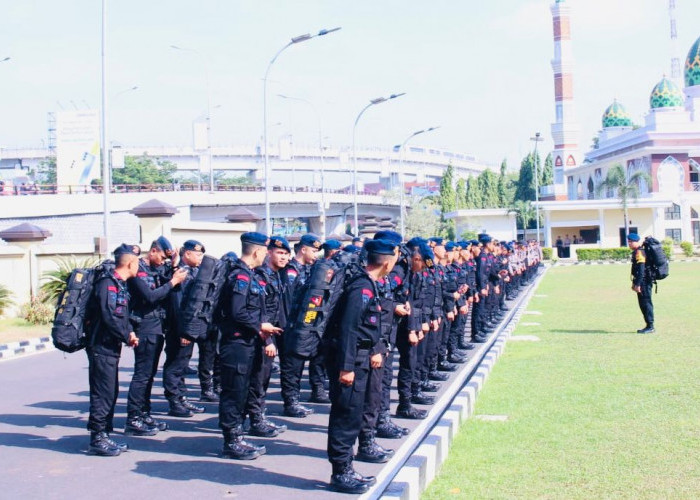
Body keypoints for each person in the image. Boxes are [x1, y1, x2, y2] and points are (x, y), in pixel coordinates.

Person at [325, 238, 398, 494]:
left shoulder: (370, 285)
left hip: (361, 358)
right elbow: (348, 329)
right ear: (387, 262)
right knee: (346, 415)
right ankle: (341, 472)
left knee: (353, 413)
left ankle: (346, 468)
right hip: (351, 361)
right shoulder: (362, 288)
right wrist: (346, 367)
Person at [218, 232, 283, 460]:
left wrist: (264, 335)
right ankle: (231, 440)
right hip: (236, 343)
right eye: (265, 251)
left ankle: (238, 434)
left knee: (244, 391)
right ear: (257, 251)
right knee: (234, 392)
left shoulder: (252, 276)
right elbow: (237, 311)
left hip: (249, 342)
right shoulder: (241, 277)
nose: (266, 255)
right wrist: (260, 326)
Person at [125, 237, 187, 435]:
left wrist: (174, 264)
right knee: (142, 375)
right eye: (161, 256)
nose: (162, 261)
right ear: (152, 251)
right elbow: (150, 296)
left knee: (149, 375)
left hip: (157, 326)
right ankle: (133, 418)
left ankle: (144, 414)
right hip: (144, 326)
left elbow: (168, 279)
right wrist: (173, 282)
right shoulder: (138, 270)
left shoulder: (155, 269)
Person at [86, 244, 141, 456]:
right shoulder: (107, 284)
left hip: (110, 345)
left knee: (111, 391)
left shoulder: (119, 284)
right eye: (137, 262)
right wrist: (126, 335)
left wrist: (129, 331)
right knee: (103, 393)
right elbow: (109, 316)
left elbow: (121, 315)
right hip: (101, 345)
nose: (139, 267)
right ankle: (97, 438)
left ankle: (105, 435)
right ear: (129, 263)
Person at [162, 239, 206, 417]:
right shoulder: (179, 272)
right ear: (187, 254)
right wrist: (184, 330)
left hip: (188, 326)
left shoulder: (193, 271)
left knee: (182, 364)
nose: (200, 258)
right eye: (197, 254)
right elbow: (178, 305)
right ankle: (174, 401)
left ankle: (181, 398)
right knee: (175, 364)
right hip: (179, 327)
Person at [627, 233, 655, 334]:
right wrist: (635, 283)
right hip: (641, 281)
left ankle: (650, 326)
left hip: (644, 282)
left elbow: (641, 269)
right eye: (629, 242)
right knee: (643, 304)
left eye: (631, 242)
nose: (629, 243)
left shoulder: (639, 252)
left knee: (646, 303)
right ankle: (648, 325)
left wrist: (638, 284)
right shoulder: (637, 251)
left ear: (637, 242)